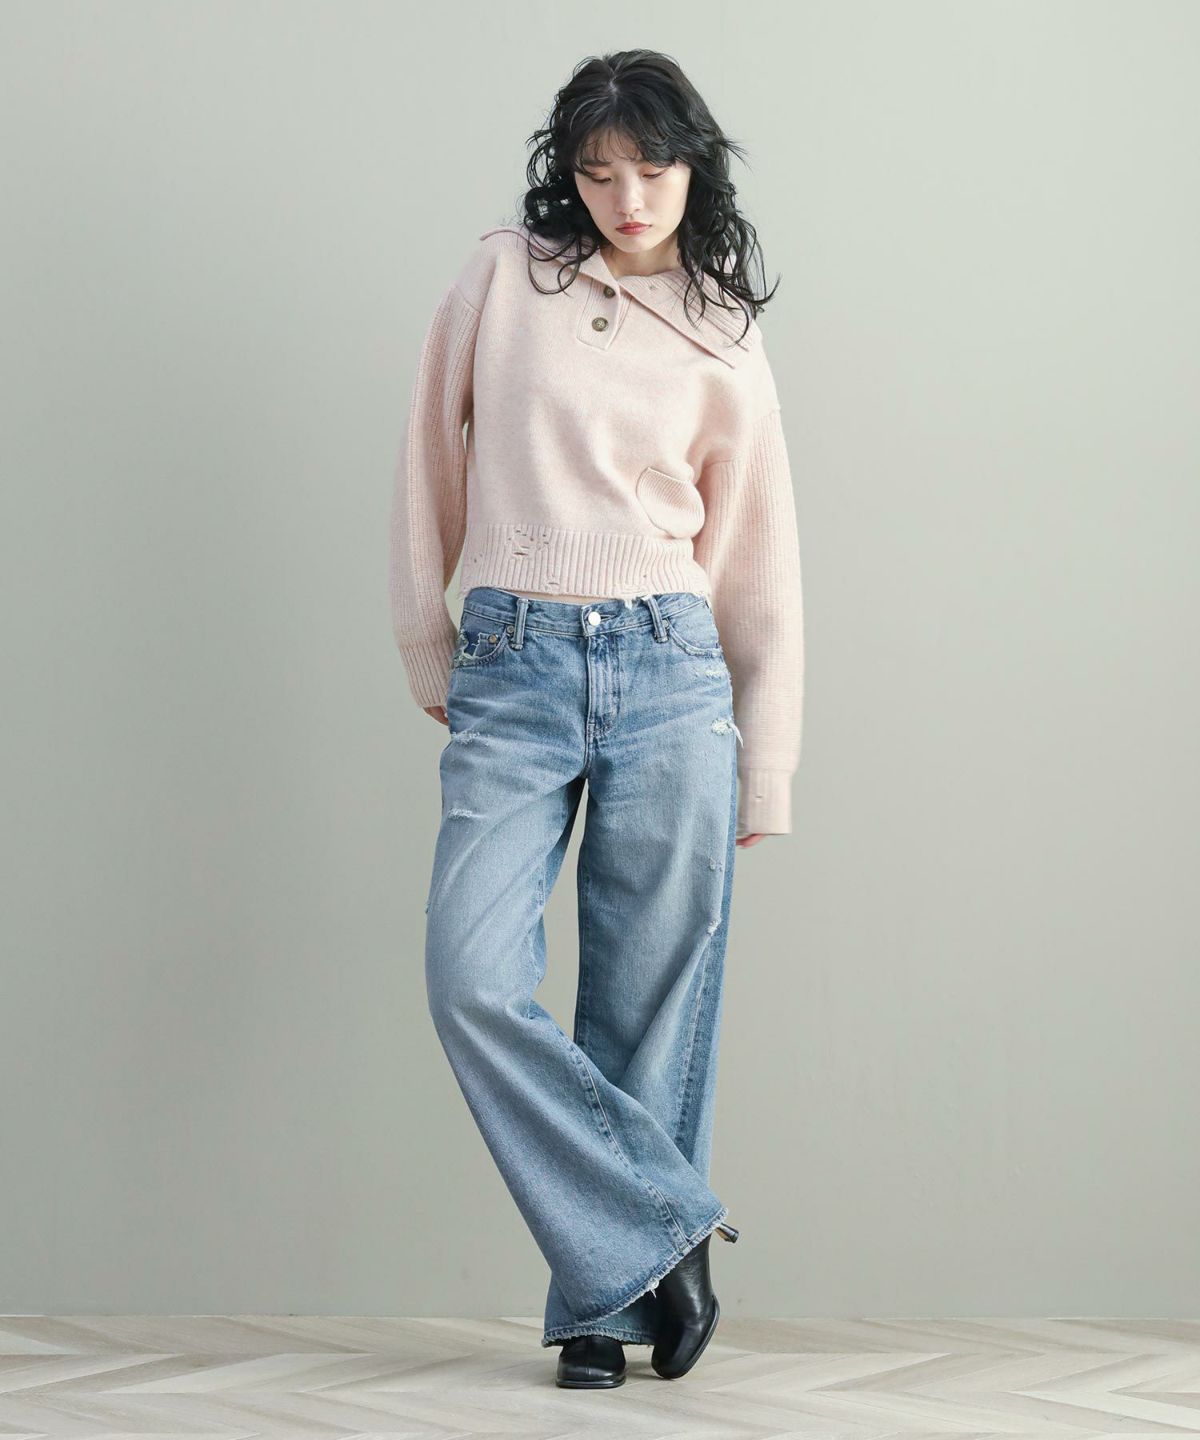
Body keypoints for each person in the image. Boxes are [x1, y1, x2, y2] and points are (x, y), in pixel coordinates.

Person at [388, 49, 804, 1388]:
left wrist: (767, 760)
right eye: (598, 171)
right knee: (471, 978)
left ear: (696, 170)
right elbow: (427, 458)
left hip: (672, 667)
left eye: (653, 170)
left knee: (645, 999)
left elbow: (757, 559)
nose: (627, 198)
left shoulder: (723, 329)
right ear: (567, 175)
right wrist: (431, 638)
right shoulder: (504, 278)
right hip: (514, 658)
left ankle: (600, 1310)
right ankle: (669, 1229)